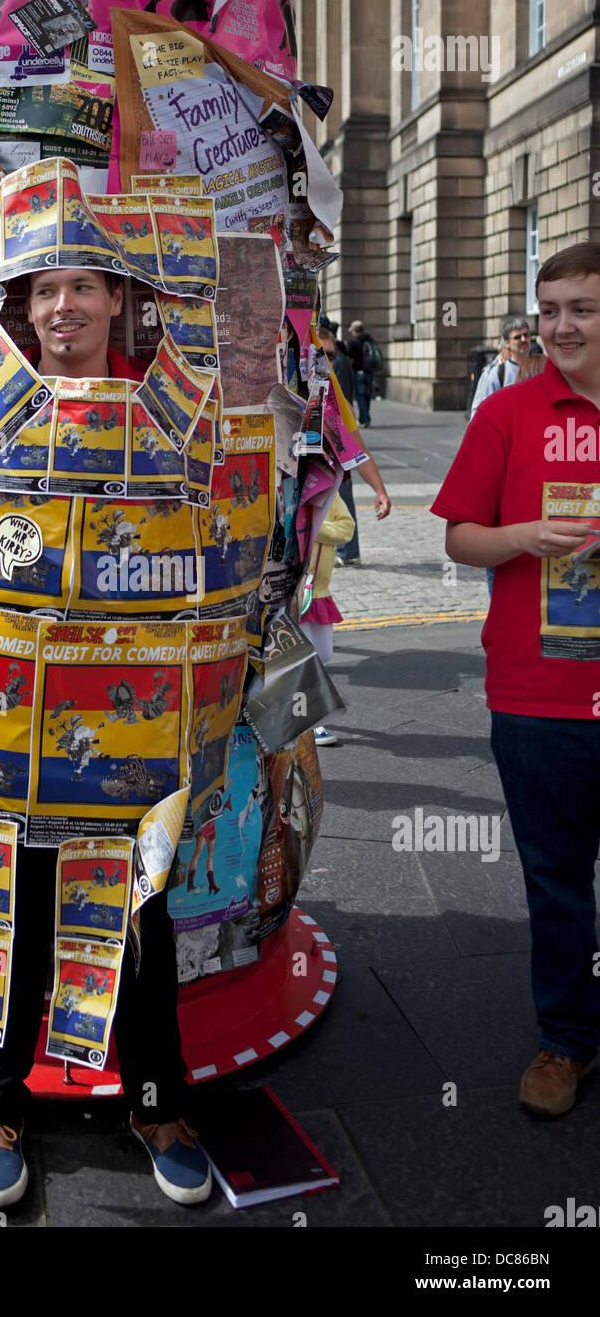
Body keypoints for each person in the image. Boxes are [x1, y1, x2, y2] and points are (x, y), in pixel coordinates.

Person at [0, 266, 211, 1212]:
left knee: (139, 922)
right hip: (10, 721)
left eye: (83, 288)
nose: (64, 306)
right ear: (24, 311)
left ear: (116, 303)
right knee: (5, 911)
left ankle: (156, 1106)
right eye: (46, 291)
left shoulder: (166, 415)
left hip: (127, 721)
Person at [432, 241, 600, 1118]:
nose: (562, 326)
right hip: (540, 695)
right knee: (557, 878)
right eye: (550, 309)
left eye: (581, 308)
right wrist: (522, 537)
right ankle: (566, 1041)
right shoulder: (509, 414)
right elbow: (459, 538)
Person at [317, 321, 392, 560]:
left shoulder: (337, 400)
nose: (326, 362)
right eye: (320, 354)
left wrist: (380, 490)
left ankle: (348, 554)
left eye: (330, 355)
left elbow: (359, 451)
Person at [297, 490, 355, 746]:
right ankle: (312, 722)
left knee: (324, 654)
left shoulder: (333, 494)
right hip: (296, 590)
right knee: (307, 661)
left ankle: (302, 715)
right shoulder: (294, 493)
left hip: (319, 591)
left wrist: (318, 527)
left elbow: (347, 529)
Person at [469, 317, 531, 419]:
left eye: (526, 335)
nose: (523, 339)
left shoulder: (541, 368)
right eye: (517, 337)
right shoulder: (498, 373)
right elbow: (488, 412)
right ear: (507, 343)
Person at [346, 319, 380, 427]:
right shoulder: (370, 340)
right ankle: (366, 417)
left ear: (355, 330)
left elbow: (350, 357)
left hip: (359, 372)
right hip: (370, 372)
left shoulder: (353, 341)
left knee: (360, 396)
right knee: (367, 395)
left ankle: (364, 419)